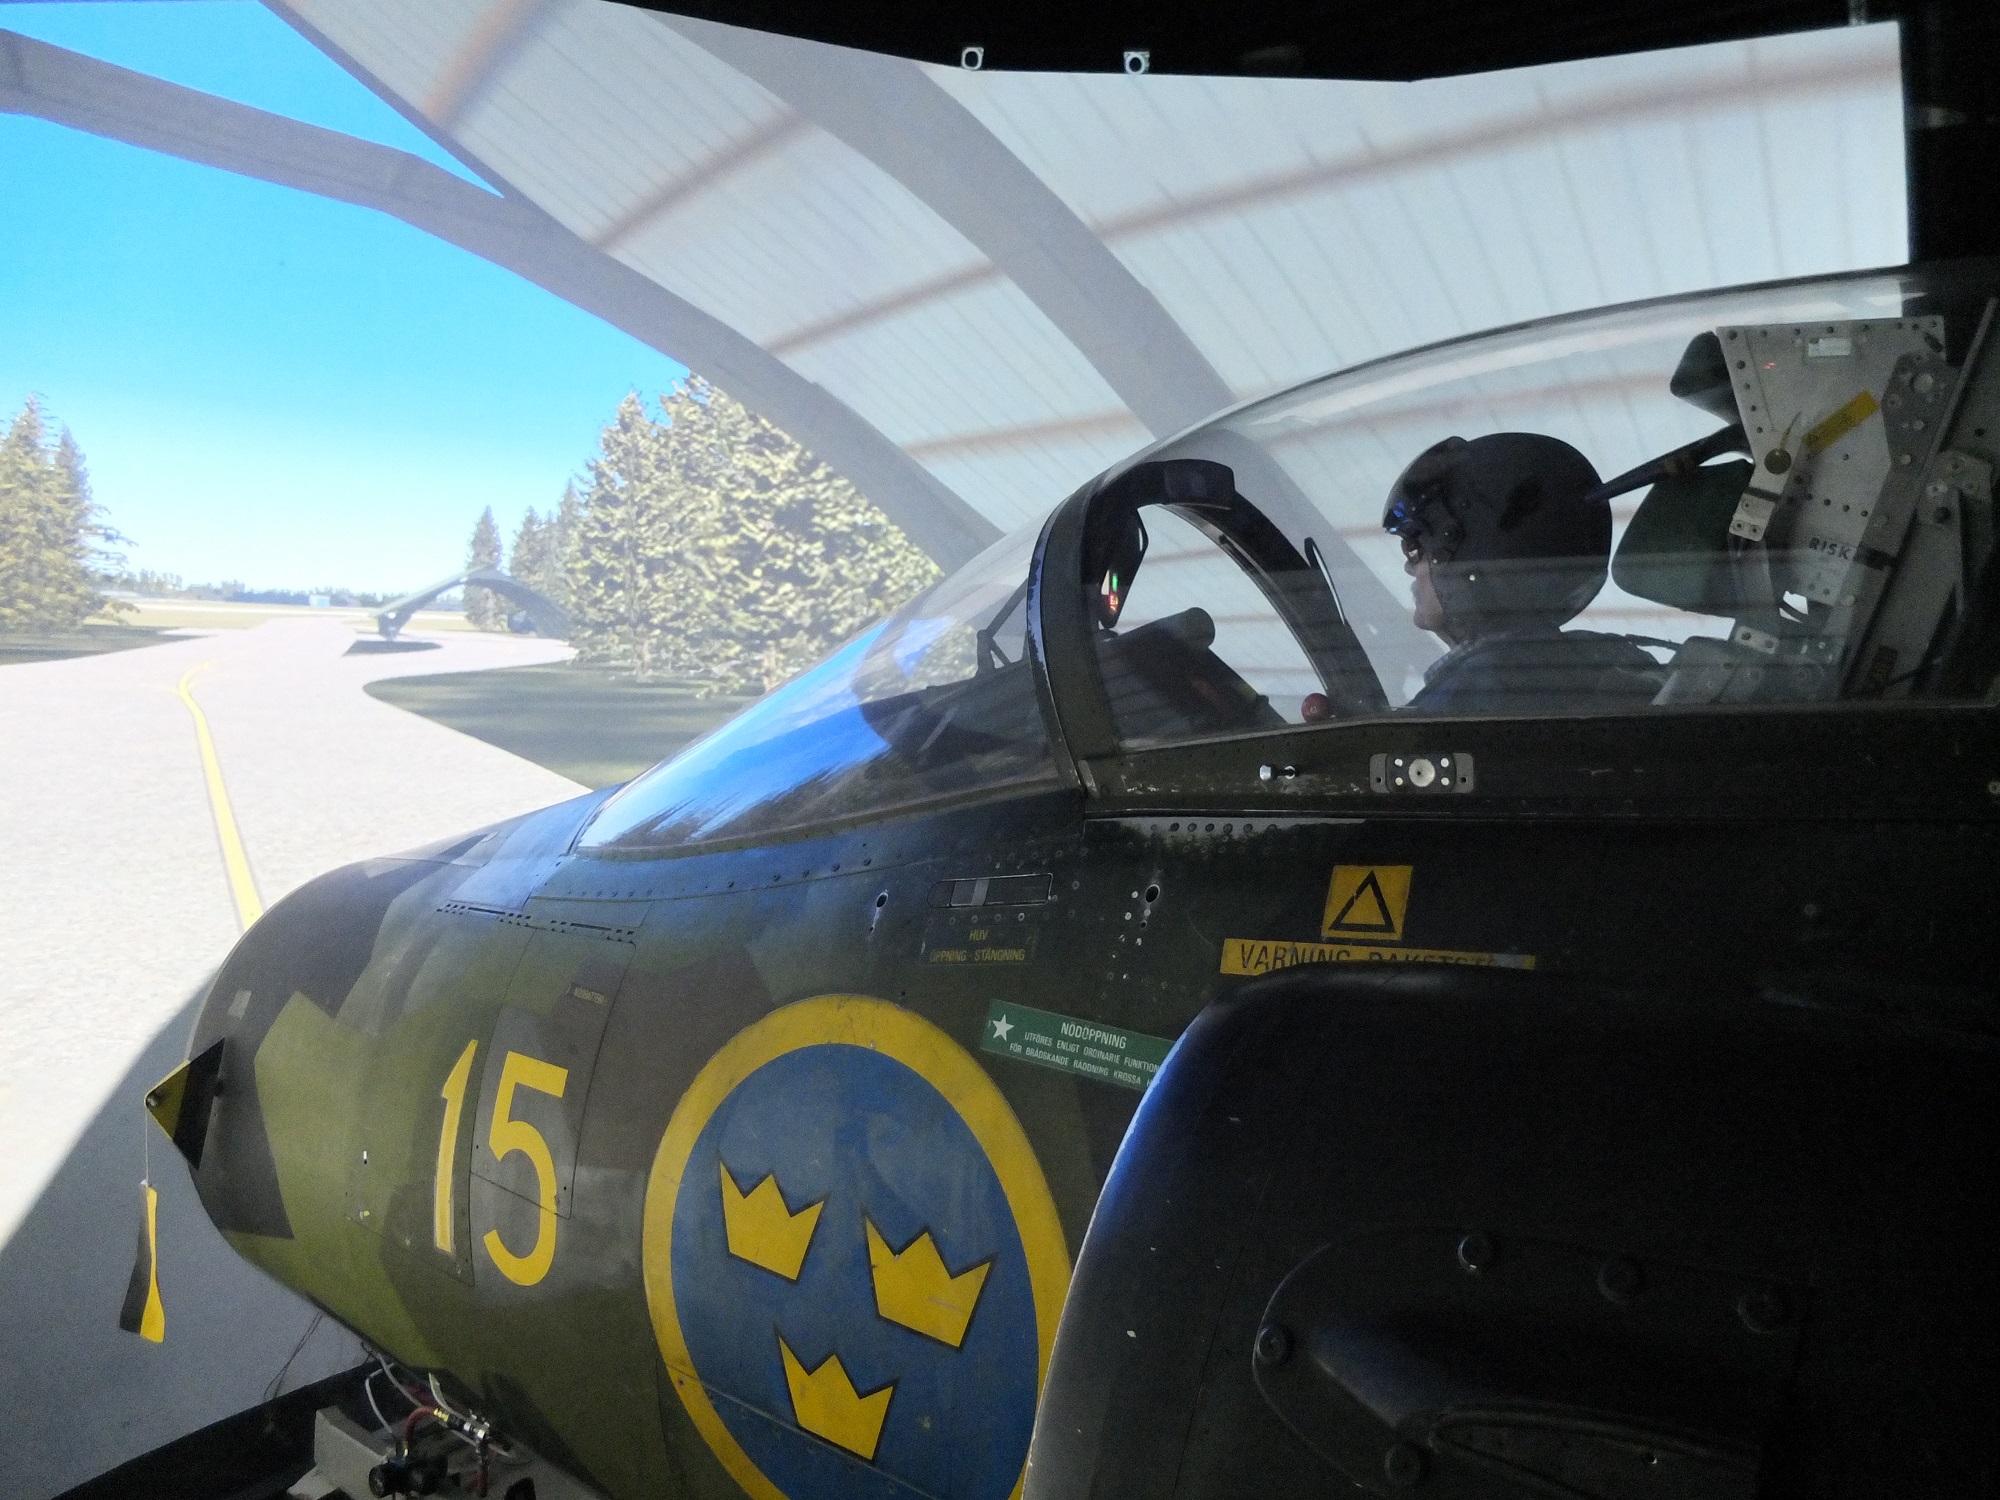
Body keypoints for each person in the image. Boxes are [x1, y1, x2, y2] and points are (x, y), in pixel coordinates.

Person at [1382, 433, 1663, 713]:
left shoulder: (1471, 697)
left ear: (1472, 559)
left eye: (1416, 551)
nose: (1409, 567)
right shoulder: (1609, 658)